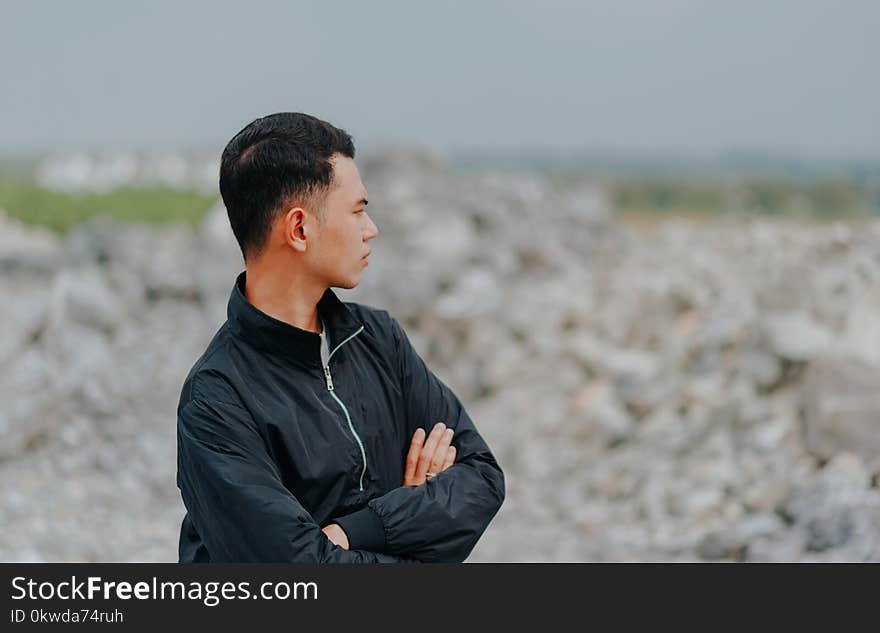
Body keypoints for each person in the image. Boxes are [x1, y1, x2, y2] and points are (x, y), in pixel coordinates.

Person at [176, 112, 505, 562]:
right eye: (357, 211)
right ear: (299, 229)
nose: (371, 229)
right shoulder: (216, 399)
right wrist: (415, 523)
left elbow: (482, 478)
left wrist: (359, 530)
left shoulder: (379, 339)